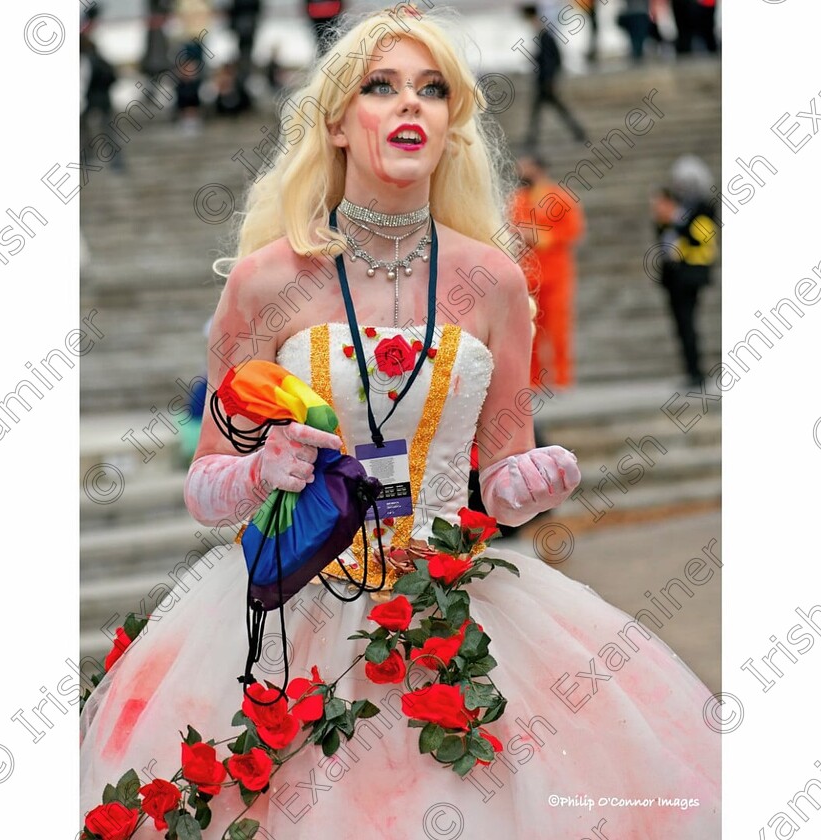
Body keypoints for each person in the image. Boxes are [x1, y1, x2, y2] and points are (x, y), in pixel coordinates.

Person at [80, 9, 720, 836]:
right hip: (294, 608)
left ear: (452, 124)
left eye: (431, 90)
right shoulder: (265, 280)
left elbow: (506, 472)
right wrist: (257, 470)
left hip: (452, 610)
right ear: (339, 122)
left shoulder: (493, 280)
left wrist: (533, 478)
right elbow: (206, 488)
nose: (409, 105)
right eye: (382, 88)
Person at [511, 154, 585, 390]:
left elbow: (573, 230)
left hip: (556, 274)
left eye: (525, 167)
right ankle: (533, 380)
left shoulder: (559, 197)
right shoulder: (518, 200)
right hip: (528, 276)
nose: (521, 172)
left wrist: (541, 237)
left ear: (538, 169)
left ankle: (562, 378)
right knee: (530, 329)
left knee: (558, 328)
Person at [651, 154, 718, 386]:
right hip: (673, 276)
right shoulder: (678, 208)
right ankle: (691, 371)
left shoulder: (703, 208)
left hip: (691, 273)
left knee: (688, 323)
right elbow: (665, 239)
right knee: (681, 324)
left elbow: (700, 237)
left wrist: (676, 220)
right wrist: (665, 219)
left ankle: (696, 373)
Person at [521, 4, 587, 147]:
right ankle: (532, 138)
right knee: (545, 110)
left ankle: (577, 131)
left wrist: (550, 80)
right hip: (544, 81)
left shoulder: (545, 36)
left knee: (550, 109)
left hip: (545, 82)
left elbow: (552, 60)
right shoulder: (542, 34)